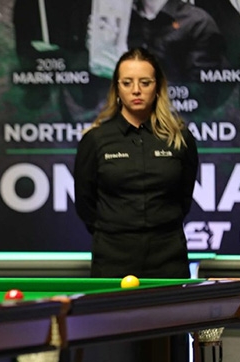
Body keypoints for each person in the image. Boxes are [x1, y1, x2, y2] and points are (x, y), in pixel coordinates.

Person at [74, 47, 199, 278]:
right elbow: (85, 203)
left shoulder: (180, 137)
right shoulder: (95, 139)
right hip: (112, 257)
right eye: (127, 83)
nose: (136, 90)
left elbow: (184, 198)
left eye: (145, 82)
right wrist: (116, 230)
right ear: (117, 88)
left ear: (157, 87)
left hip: (169, 256)